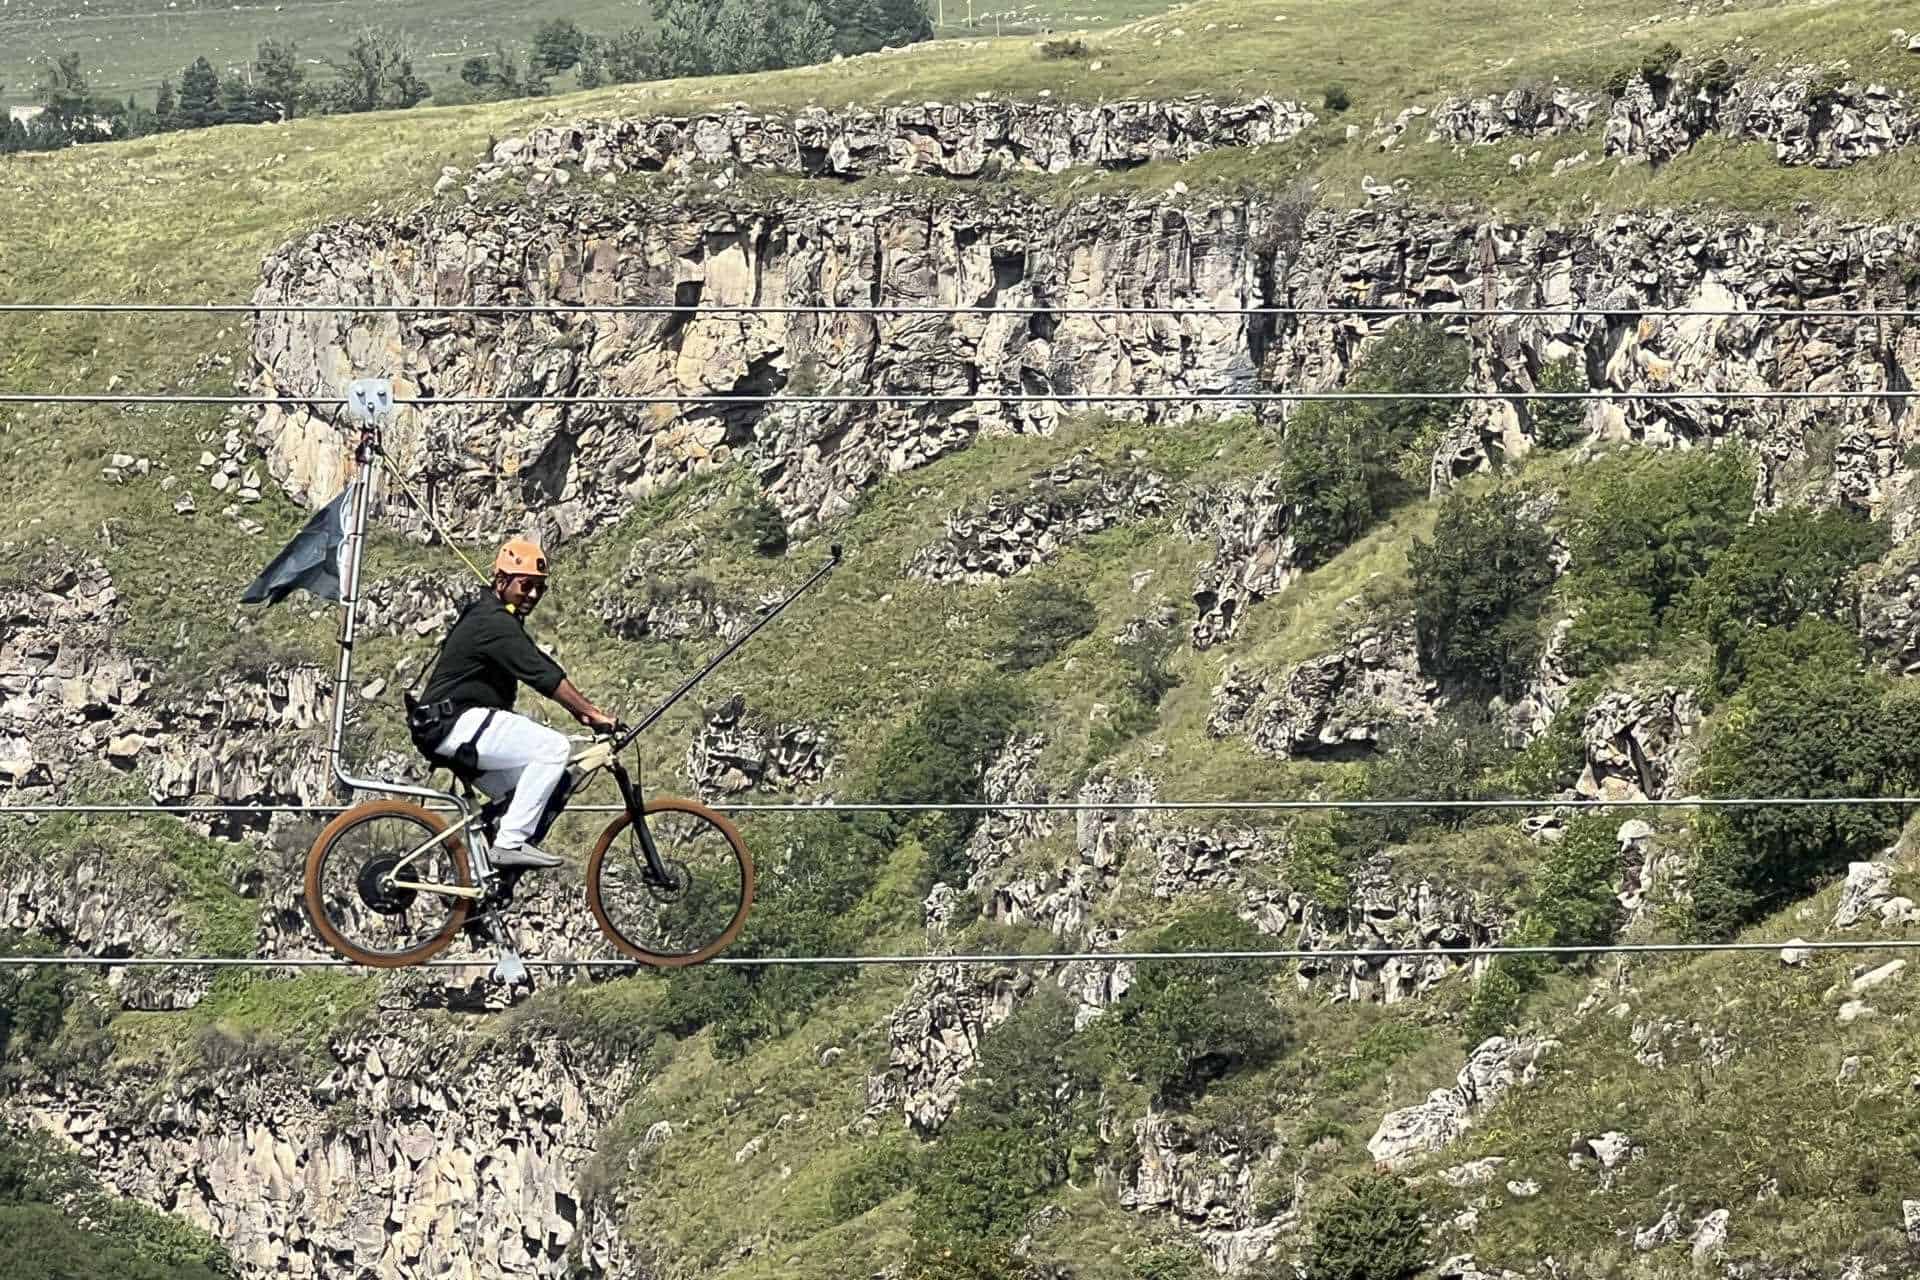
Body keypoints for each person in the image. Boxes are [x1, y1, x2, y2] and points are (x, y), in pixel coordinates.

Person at [414, 538, 617, 869]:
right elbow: (539, 671)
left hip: (450, 728)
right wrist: (589, 713)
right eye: (526, 586)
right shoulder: (492, 622)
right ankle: (508, 845)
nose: (533, 596)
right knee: (553, 748)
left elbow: (536, 661)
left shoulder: (497, 617)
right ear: (501, 581)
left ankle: (486, 879)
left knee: (533, 790)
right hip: (454, 723)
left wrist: (586, 710)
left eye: (540, 588)